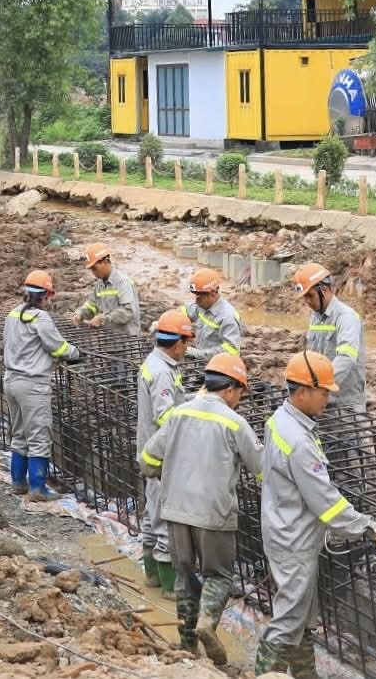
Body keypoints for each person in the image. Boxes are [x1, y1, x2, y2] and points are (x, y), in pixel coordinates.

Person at [256, 351, 376, 677]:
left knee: (302, 618)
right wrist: (371, 528)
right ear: (303, 391)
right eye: (323, 392)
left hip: (284, 530)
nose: (328, 398)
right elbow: (328, 504)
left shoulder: (282, 419)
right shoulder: (299, 441)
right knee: (289, 620)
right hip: (294, 540)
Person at [142, 353, 263, 664]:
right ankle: (207, 623)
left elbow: (148, 460)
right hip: (214, 514)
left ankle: (186, 646)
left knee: (185, 577)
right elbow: (262, 467)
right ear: (230, 388)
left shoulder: (179, 413)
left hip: (176, 512)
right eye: (240, 394)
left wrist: (163, 472)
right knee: (218, 575)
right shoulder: (234, 422)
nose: (239, 400)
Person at [3, 270, 81, 501]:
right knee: (39, 436)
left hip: (11, 381)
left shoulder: (13, 313)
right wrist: (76, 353)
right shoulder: (41, 318)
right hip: (32, 385)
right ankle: (37, 489)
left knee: (19, 433)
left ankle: (18, 483)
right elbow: (57, 347)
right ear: (45, 295)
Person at [134, 308, 195, 593]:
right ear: (177, 342)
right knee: (163, 519)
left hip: (149, 450)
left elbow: (175, 402)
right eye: (187, 343)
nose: (188, 348)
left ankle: (151, 576)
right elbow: (165, 416)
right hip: (161, 455)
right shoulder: (161, 373)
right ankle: (171, 587)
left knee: (151, 513)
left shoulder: (155, 363)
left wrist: (197, 399)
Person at [294, 262, 367, 413]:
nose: (307, 302)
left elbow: (346, 358)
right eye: (304, 297)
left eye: (310, 296)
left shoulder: (346, 317)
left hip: (345, 405)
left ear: (324, 290)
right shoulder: (315, 317)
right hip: (321, 401)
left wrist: (319, 384)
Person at [71, 243, 141, 336]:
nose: (93, 273)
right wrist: (80, 314)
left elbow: (128, 312)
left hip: (128, 342)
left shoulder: (123, 282)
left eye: (94, 268)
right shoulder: (99, 285)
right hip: (109, 340)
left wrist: (103, 318)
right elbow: (91, 306)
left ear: (105, 261)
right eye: (91, 269)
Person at [183, 268, 244, 360]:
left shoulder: (227, 317)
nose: (196, 299)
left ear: (212, 293)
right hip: (202, 363)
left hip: (219, 369)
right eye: (195, 294)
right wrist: (166, 323)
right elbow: (185, 310)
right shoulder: (202, 305)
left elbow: (232, 351)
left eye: (199, 295)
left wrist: (196, 353)